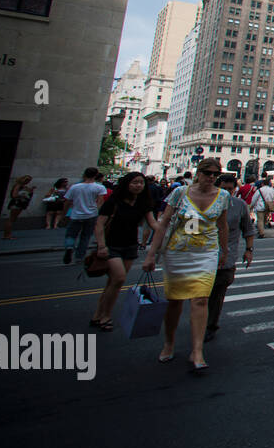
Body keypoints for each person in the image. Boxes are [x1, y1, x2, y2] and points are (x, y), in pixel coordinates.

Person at [143, 159, 230, 373]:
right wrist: (151, 254)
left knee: (200, 300)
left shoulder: (223, 196)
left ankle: (197, 350)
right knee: (175, 301)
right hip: (178, 252)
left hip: (206, 252)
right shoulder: (180, 193)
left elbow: (223, 225)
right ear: (197, 173)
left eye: (215, 174)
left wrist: (224, 250)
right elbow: (163, 224)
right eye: (207, 173)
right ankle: (169, 343)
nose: (211, 177)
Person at [88, 173, 157, 331]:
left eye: (141, 183)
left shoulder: (143, 203)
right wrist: (101, 246)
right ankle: (106, 316)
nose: (138, 185)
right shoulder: (114, 201)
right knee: (119, 279)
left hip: (130, 246)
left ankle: (98, 314)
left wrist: (169, 235)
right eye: (134, 182)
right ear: (127, 184)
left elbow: (153, 224)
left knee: (113, 282)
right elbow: (99, 225)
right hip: (111, 245)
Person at [205, 174, 256, 342]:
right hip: (203, 255)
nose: (227, 192)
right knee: (200, 295)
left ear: (235, 189)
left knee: (217, 295)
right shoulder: (206, 202)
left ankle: (210, 325)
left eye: (230, 189)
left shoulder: (240, 205)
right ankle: (199, 322)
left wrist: (249, 250)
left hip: (226, 259)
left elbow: (248, 230)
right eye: (223, 189)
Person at [62, 167, 108, 264]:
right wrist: (97, 213)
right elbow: (100, 202)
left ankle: (69, 247)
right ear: (96, 175)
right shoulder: (99, 187)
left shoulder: (74, 187)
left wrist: (64, 214)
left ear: (84, 174)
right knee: (85, 236)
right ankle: (79, 257)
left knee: (71, 234)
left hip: (76, 214)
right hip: (91, 215)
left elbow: (67, 202)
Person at [1, 175, 34, 239]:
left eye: (29, 181)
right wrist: (23, 196)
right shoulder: (18, 185)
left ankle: (8, 234)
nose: (28, 182)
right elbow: (14, 195)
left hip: (20, 203)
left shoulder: (23, 186)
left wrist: (30, 191)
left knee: (13, 219)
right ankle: (7, 235)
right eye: (27, 180)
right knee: (11, 219)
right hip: (17, 203)